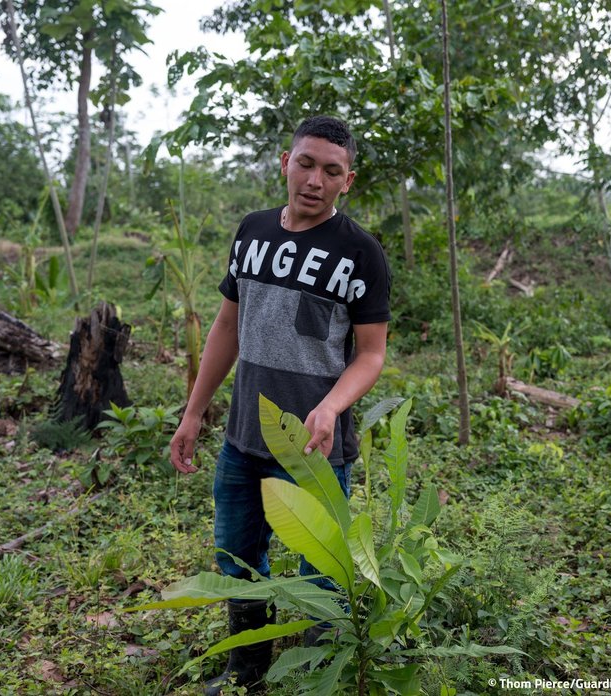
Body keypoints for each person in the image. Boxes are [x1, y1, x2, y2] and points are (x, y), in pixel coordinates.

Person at [169, 115, 391, 694]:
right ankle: (249, 673)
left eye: (331, 170)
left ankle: (319, 677)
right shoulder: (253, 231)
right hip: (243, 442)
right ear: (286, 163)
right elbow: (227, 325)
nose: (315, 179)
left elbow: (370, 355)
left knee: (321, 578)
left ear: (349, 181)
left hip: (315, 450)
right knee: (237, 559)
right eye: (306, 163)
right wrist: (194, 413)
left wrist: (330, 406)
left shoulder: (361, 252)